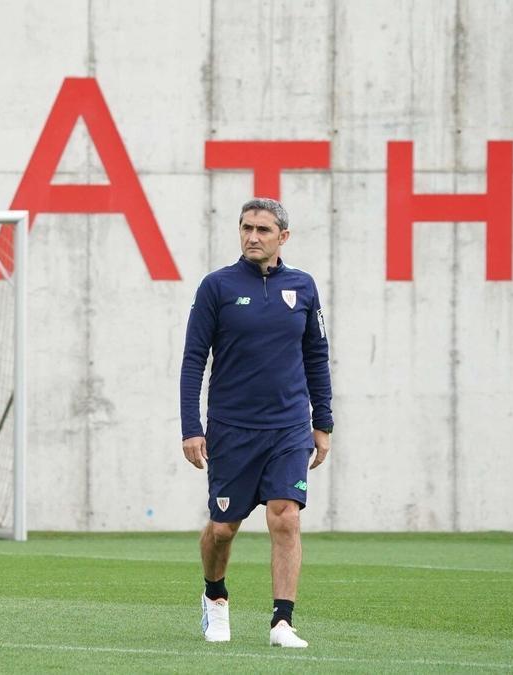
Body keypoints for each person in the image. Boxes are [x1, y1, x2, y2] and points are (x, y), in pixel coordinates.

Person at [179, 197, 333, 649]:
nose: (252, 236)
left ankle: (282, 621)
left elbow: (316, 357)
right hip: (231, 429)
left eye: (263, 230)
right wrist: (192, 426)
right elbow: (193, 360)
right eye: (246, 227)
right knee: (223, 529)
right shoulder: (217, 287)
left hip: (288, 427)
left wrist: (321, 422)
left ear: (283, 237)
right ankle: (215, 596)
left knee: (284, 517)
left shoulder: (303, 287)